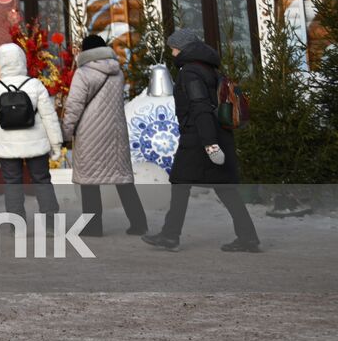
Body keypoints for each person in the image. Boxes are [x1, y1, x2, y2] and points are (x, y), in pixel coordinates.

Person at [143, 30, 260, 253]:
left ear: (183, 48)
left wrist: (209, 143)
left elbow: (200, 107)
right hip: (216, 134)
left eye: (173, 48)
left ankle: (170, 236)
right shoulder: (209, 68)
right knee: (224, 188)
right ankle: (248, 237)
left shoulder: (190, 72)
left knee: (180, 183)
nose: (172, 53)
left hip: (198, 138)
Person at [63, 35, 148, 237]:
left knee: (89, 180)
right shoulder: (117, 72)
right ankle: (139, 223)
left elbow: (74, 106)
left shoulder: (83, 73)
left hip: (90, 133)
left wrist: (66, 132)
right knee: (122, 178)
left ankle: (93, 226)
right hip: (116, 132)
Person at [0, 42, 62, 226]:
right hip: (37, 144)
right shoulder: (35, 85)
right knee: (42, 181)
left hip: (6, 146)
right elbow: (49, 117)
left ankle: (17, 226)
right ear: (22, 60)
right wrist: (56, 144)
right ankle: (51, 224)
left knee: (12, 184)